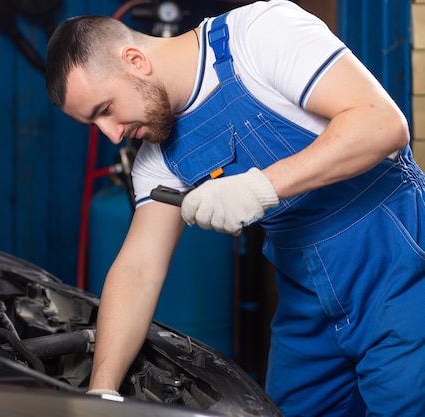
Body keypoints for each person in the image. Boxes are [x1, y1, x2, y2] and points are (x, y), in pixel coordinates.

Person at [45, 0, 425, 415]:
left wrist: (260, 187)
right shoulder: (158, 161)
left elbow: (382, 124)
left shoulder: (260, 34)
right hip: (306, 293)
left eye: (106, 110)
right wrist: (103, 390)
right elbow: (138, 269)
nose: (113, 135)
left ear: (135, 60)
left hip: (395, 259)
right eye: (94, 124)